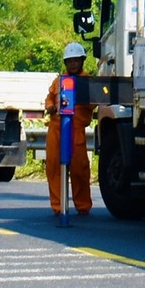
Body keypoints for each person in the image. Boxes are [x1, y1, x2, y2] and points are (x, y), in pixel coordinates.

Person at [44, 42, 93, 222]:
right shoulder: (59, 81)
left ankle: (83, 205)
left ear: (82, 61)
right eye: (69, 61)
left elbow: (95, 102)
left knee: (80, 169)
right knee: (53, 167)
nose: (73, 64)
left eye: (76, 61)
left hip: (76, 130)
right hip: (56, 128)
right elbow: (50, 98)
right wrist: (50, 107)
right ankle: (58, 206)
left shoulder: (87, 81)